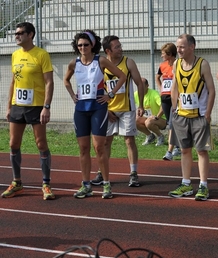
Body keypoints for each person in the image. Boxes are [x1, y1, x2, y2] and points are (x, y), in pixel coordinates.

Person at [64, 30, 127, 199]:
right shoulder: (74, 63)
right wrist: (72, 95)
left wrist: (110, 95)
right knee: (83, 148)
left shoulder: (101, 61)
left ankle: (106, 184)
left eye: (85, 44)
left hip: (98, 107)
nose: (82, 48)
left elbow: (122, 76)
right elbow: (66, 80)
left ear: (92, 45)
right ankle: (86, 185)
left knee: (99, 147)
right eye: (79, 45)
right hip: (81, 110)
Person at [2, 22, 55, 200]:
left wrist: (46, 107)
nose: (17, 36)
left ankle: (46, 184)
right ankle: (17, 183)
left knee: (41, 143)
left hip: (36, 106)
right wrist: (8, 105)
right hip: (18, 105)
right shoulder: (15, 55)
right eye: (16, 33)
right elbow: (13, 82)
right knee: (13, 144)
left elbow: (49, 82)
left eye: (20, 33)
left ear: (30, 34)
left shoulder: (42, 54)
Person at [90, 35, 144, 188]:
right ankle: (102, 172)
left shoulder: (128, 62)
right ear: (108, 51)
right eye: (117, 47)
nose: (121, 49)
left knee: (129, 140)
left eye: (120, 46)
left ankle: (133, 174)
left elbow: (139, 83)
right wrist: (105, 109)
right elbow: (96, 89)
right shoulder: (101, 65)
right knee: (106, 142)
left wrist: (140, 105)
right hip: (109, 109)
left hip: (127, 108)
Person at [168, 34, 216, 201]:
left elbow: (211, 90)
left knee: (202, 150)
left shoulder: (203, 64)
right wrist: (174, 108)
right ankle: (186, 183)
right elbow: (174, 86)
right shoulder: (176, 64)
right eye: (177, 46)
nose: (178, 50)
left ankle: (203, 186)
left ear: (192, 47)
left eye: (181, 46)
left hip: (199, 115)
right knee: (184, 150)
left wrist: (208, 113)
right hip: (181, 115)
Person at [155, 43, 181, 161]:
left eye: (163, 53)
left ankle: (170, 151)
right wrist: (161, 89)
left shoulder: (178, 64)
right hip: (165, 98)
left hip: (175, 98)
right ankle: (178, 147)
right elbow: (157, 77)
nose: (161, 56)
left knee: (172, 123)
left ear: (170, 54)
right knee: (171, 124)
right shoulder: (163, 65)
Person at [135, 78, 167, 145]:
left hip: (160, 119)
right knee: (134, 120)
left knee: (148, 122)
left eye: (142, 86)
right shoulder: (136, 94)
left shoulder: (154, 93)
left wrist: (157, 116)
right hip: (147, 118)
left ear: (147, 86)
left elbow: (163, 106)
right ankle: (150, 136)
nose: (140, 88)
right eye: (138, 86)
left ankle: (160, 136)